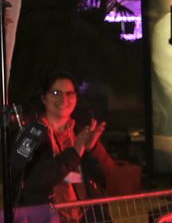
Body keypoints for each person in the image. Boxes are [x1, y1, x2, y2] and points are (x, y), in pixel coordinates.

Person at [13, 72, 113, 210]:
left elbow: (108, 178)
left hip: (83, 222)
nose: (63, 99)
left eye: (69, 93)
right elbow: (32, 180)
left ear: (76, 98)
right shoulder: (32, 134)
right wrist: (74, 153)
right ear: (43, 98)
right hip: (47, 221)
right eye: (55, 93)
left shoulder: (79, 132)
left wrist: (93, 149)